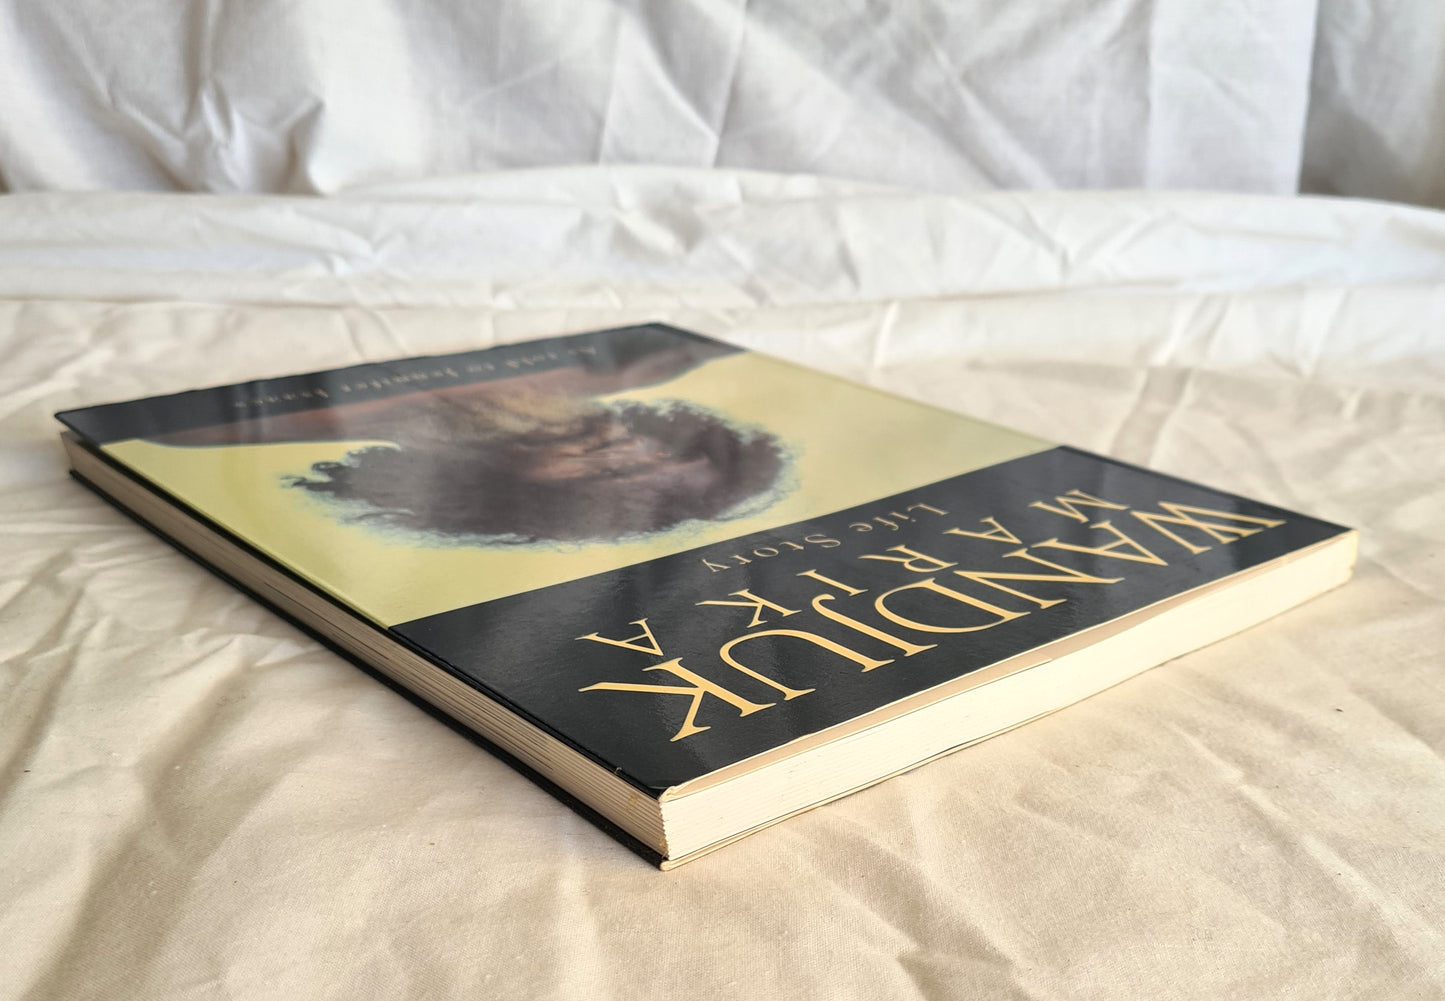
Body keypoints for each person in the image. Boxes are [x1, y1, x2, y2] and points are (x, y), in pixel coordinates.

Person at [151, 339, 787, 544]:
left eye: (605, 478)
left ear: (514, 494)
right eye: (657, 456)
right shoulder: (651, 356)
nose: (617, 452)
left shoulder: (218, 426)